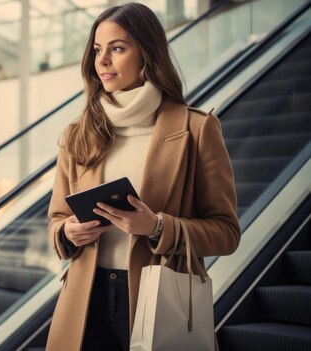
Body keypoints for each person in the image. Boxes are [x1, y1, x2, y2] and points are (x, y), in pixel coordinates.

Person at [45, 3, 241, 350]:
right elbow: (57, 220)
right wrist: (68, 231)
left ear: (147, 54)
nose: (102, 60)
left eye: (117, 48)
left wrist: (157, 227)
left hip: (160, 298)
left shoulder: (196, 129)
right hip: (85, 300)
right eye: (96, 50)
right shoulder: (78, 134)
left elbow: (226, 233)